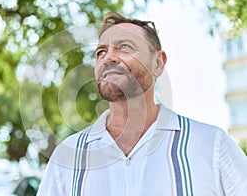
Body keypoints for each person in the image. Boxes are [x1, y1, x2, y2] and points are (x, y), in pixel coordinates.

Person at [37, 12, 247, 196]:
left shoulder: (212, 145)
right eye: (101, 52)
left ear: (158, 63)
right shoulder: (67, 156)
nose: (108, 57)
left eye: (124, 47)